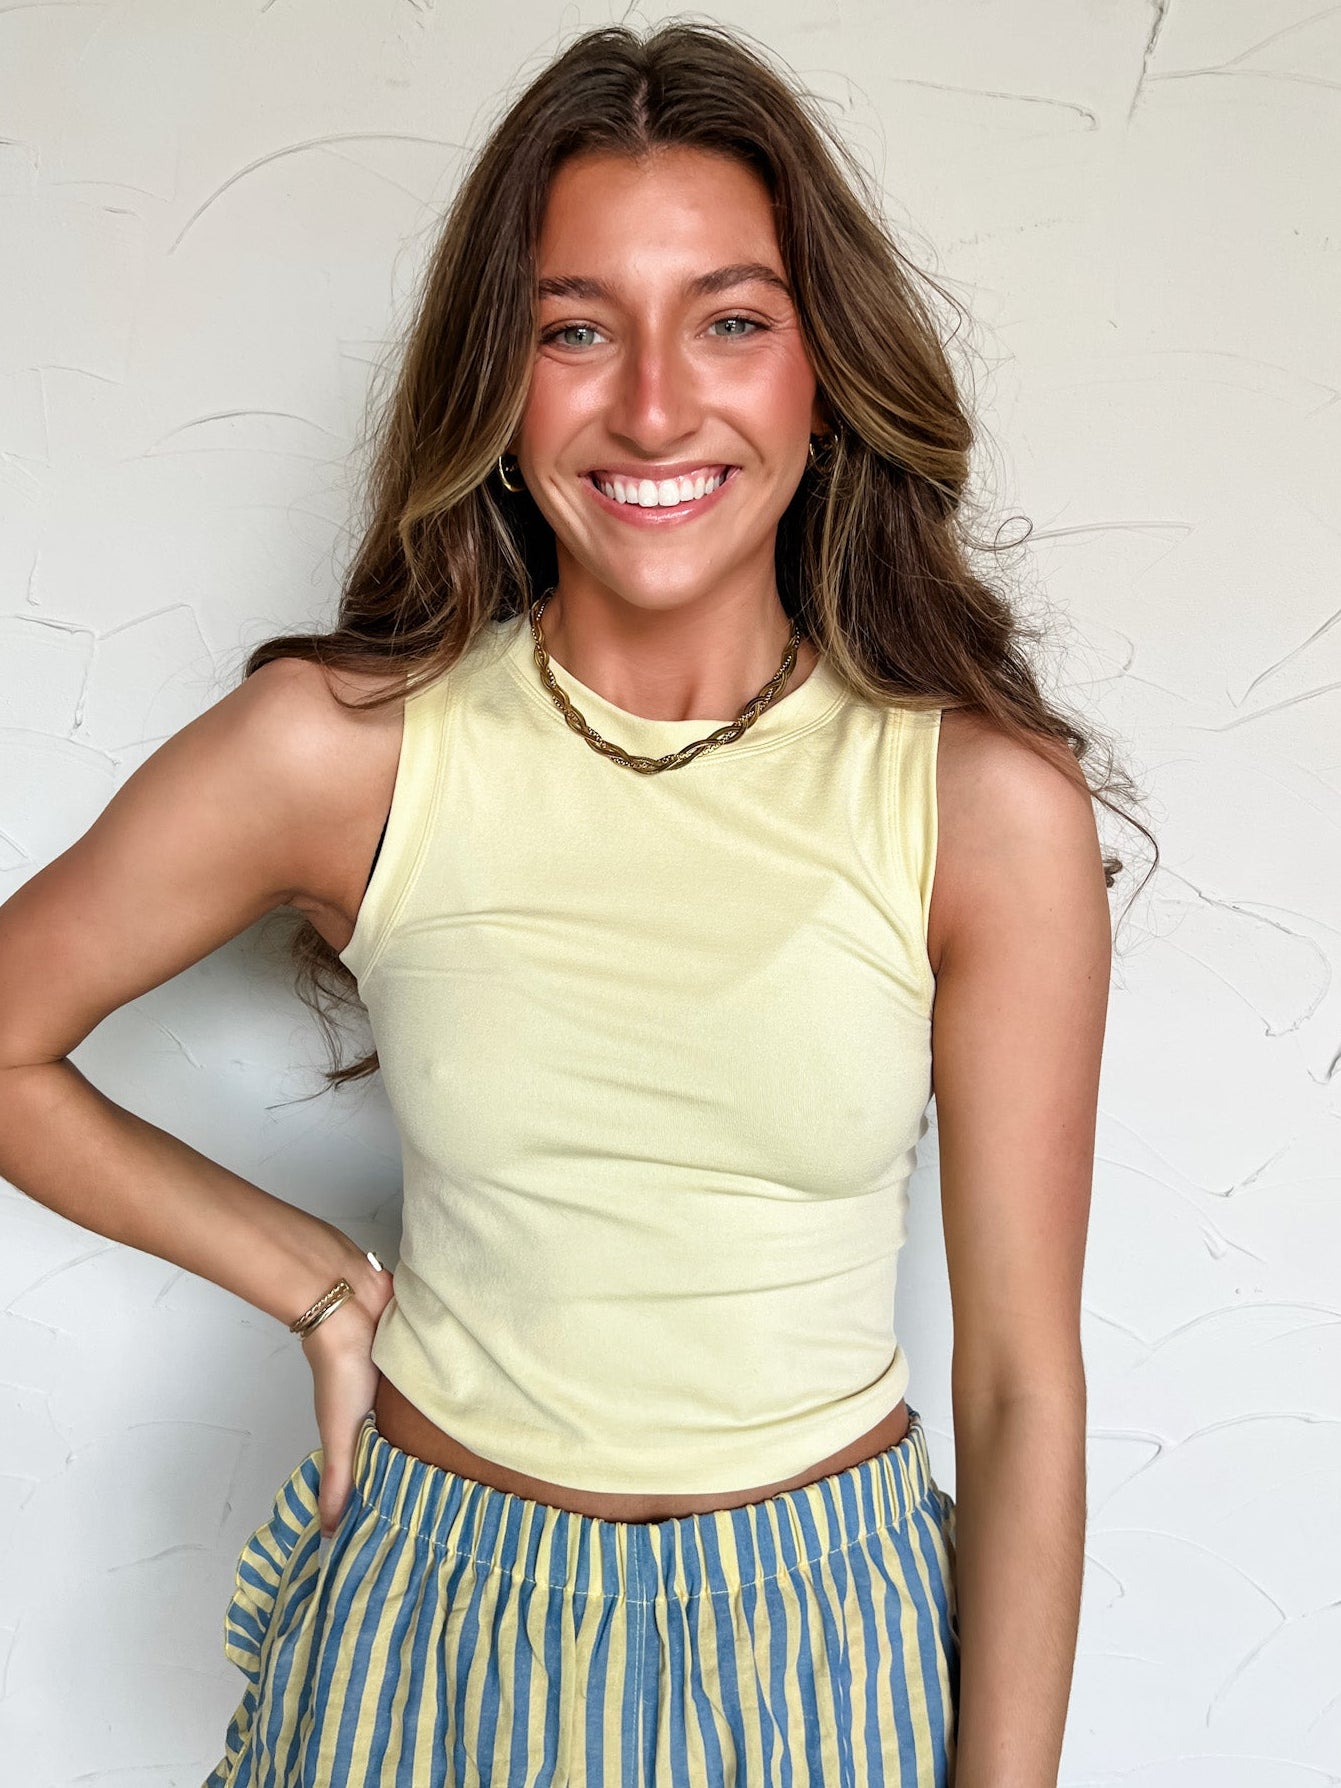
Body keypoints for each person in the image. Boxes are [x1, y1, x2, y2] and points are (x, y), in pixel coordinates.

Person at [0, 20, 1139, 1788]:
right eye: (575, 328)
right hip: (428, 1629)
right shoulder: (343, 751)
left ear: (822, 372)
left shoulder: (980, 810)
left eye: (732, 319)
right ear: (499, 376)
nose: (658, 404)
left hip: (825, 1653)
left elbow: (1016, 1393)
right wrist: (305, 1281)